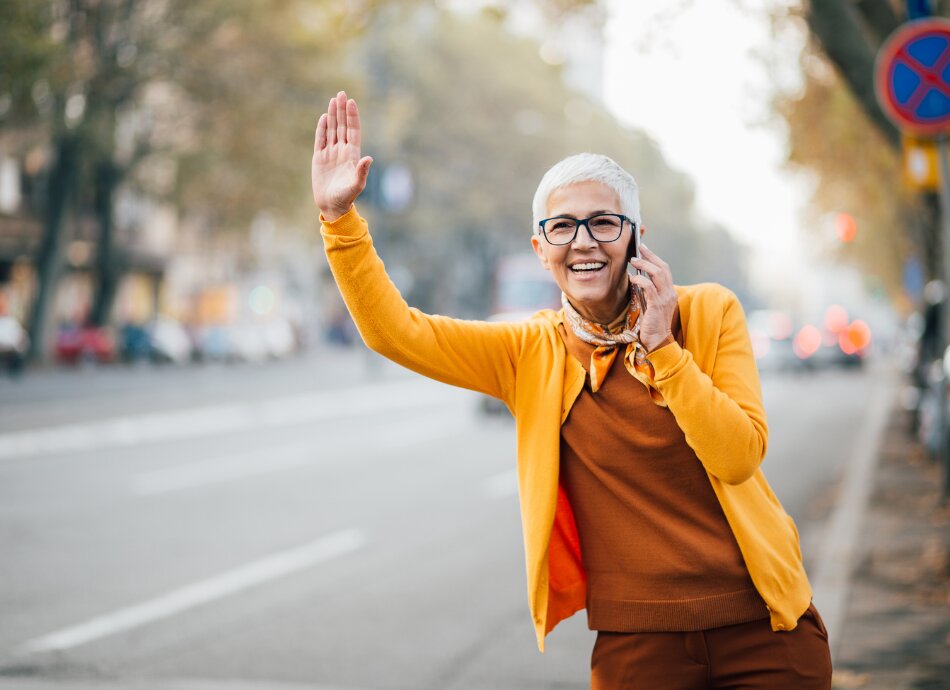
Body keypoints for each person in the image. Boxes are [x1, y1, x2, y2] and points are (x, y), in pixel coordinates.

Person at [312, 90, 832, 689]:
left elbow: (738, 458)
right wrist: (339, 221)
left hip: (766, 631)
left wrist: (663, 350)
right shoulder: (528, 350)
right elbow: (396, 333)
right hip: (636, 644)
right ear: (541, 250)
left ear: (636, 237)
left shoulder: (709, 313)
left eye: (603, 223)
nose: (583, 241)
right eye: (561, 227)